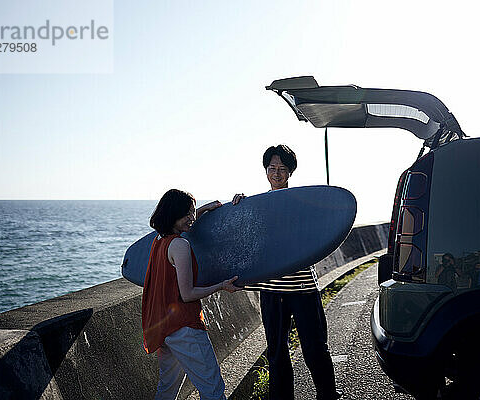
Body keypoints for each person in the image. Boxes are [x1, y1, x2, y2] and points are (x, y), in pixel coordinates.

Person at [233, 145, 341, 400]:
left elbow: (319, 235)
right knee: (277, 352)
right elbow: (242, 238)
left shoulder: (300, 203)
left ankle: (328, 395)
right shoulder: (256, 206)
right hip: (271, 291)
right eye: (272, 168)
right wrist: (238, 207)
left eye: (282, 169)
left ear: (290, 172)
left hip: (303, 288)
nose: (277, 173)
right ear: (265, 171)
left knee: (315, 349)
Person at [142, 189, 242, 400]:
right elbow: (187, 294)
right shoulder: (180, 245)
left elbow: (182, 225)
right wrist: (222, 285)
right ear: (174, 213)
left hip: (164, 329)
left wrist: (203, 210)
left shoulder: (159, 241)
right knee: (212, 389)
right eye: (187, 213)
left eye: (193, 212)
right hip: (185, 327)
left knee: (167, 390)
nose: (191, 218)